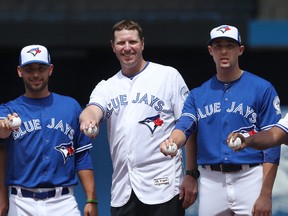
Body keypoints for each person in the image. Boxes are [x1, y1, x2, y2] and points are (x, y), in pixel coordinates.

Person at [160, 24, 282, 215]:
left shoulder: (262, 89)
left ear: (240, 50)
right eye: (218, 46)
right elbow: (185, 126)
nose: (224, 51)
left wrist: (266, 194)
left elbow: (272, 145)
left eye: (230, 45)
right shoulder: (198, 94)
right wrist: (173, 141)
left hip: (250, 176)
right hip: (211, 180)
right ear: (210, 50)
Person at [79, 19, 193, 216]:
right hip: (123, 190)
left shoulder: (168, 76)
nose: (127, 48)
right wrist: (88, 120)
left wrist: (191, 174)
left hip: (164, 187)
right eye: (121, 43)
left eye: (132, 42)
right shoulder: (107, 86)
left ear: (142, 43)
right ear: (113, 47)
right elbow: (92, 110)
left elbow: (189, 123)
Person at [0, 44, 98, 216]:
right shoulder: (8, 109)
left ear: (50, 70)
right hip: (21, 202)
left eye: (41, 68)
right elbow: (1, 133)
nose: (36, 74)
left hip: (63, 202)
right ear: (19, 71)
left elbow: (82, 156)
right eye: (29, 69)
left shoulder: (71, 106)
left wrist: (91, 198)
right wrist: (5, 127)